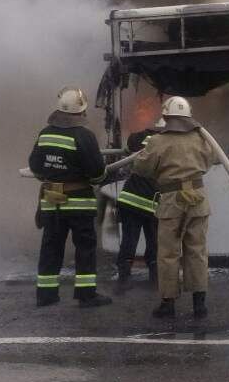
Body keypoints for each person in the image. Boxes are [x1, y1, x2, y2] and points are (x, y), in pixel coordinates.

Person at [131, 96, 218, 319]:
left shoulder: (157, 141)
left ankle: (168, 304)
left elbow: (141, 167)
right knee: (197, 250)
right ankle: (200, 304)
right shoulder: (201, 137)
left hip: (171, 200)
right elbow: (211, 159)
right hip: (197, 198)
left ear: (166, 116)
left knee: (169, 253)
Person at [28, 86, 112, 308]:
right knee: (84, 247)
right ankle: (86, 295)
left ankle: (45, 295)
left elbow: (35, 167)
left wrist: (51, 175)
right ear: (81, 112)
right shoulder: (84, 136)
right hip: (79, 204)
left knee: (50, 247)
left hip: (51, 202)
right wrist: (101, 176)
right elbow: (96, 173)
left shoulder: (45, 134)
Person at [115, 117, 163, 284]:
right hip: (150, 203)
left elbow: (130, 145)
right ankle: (155, 276)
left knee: (129, 240)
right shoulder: (169, 143)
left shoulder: (142, 138)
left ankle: (123, 276)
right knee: (154, 241)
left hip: (129, 200)